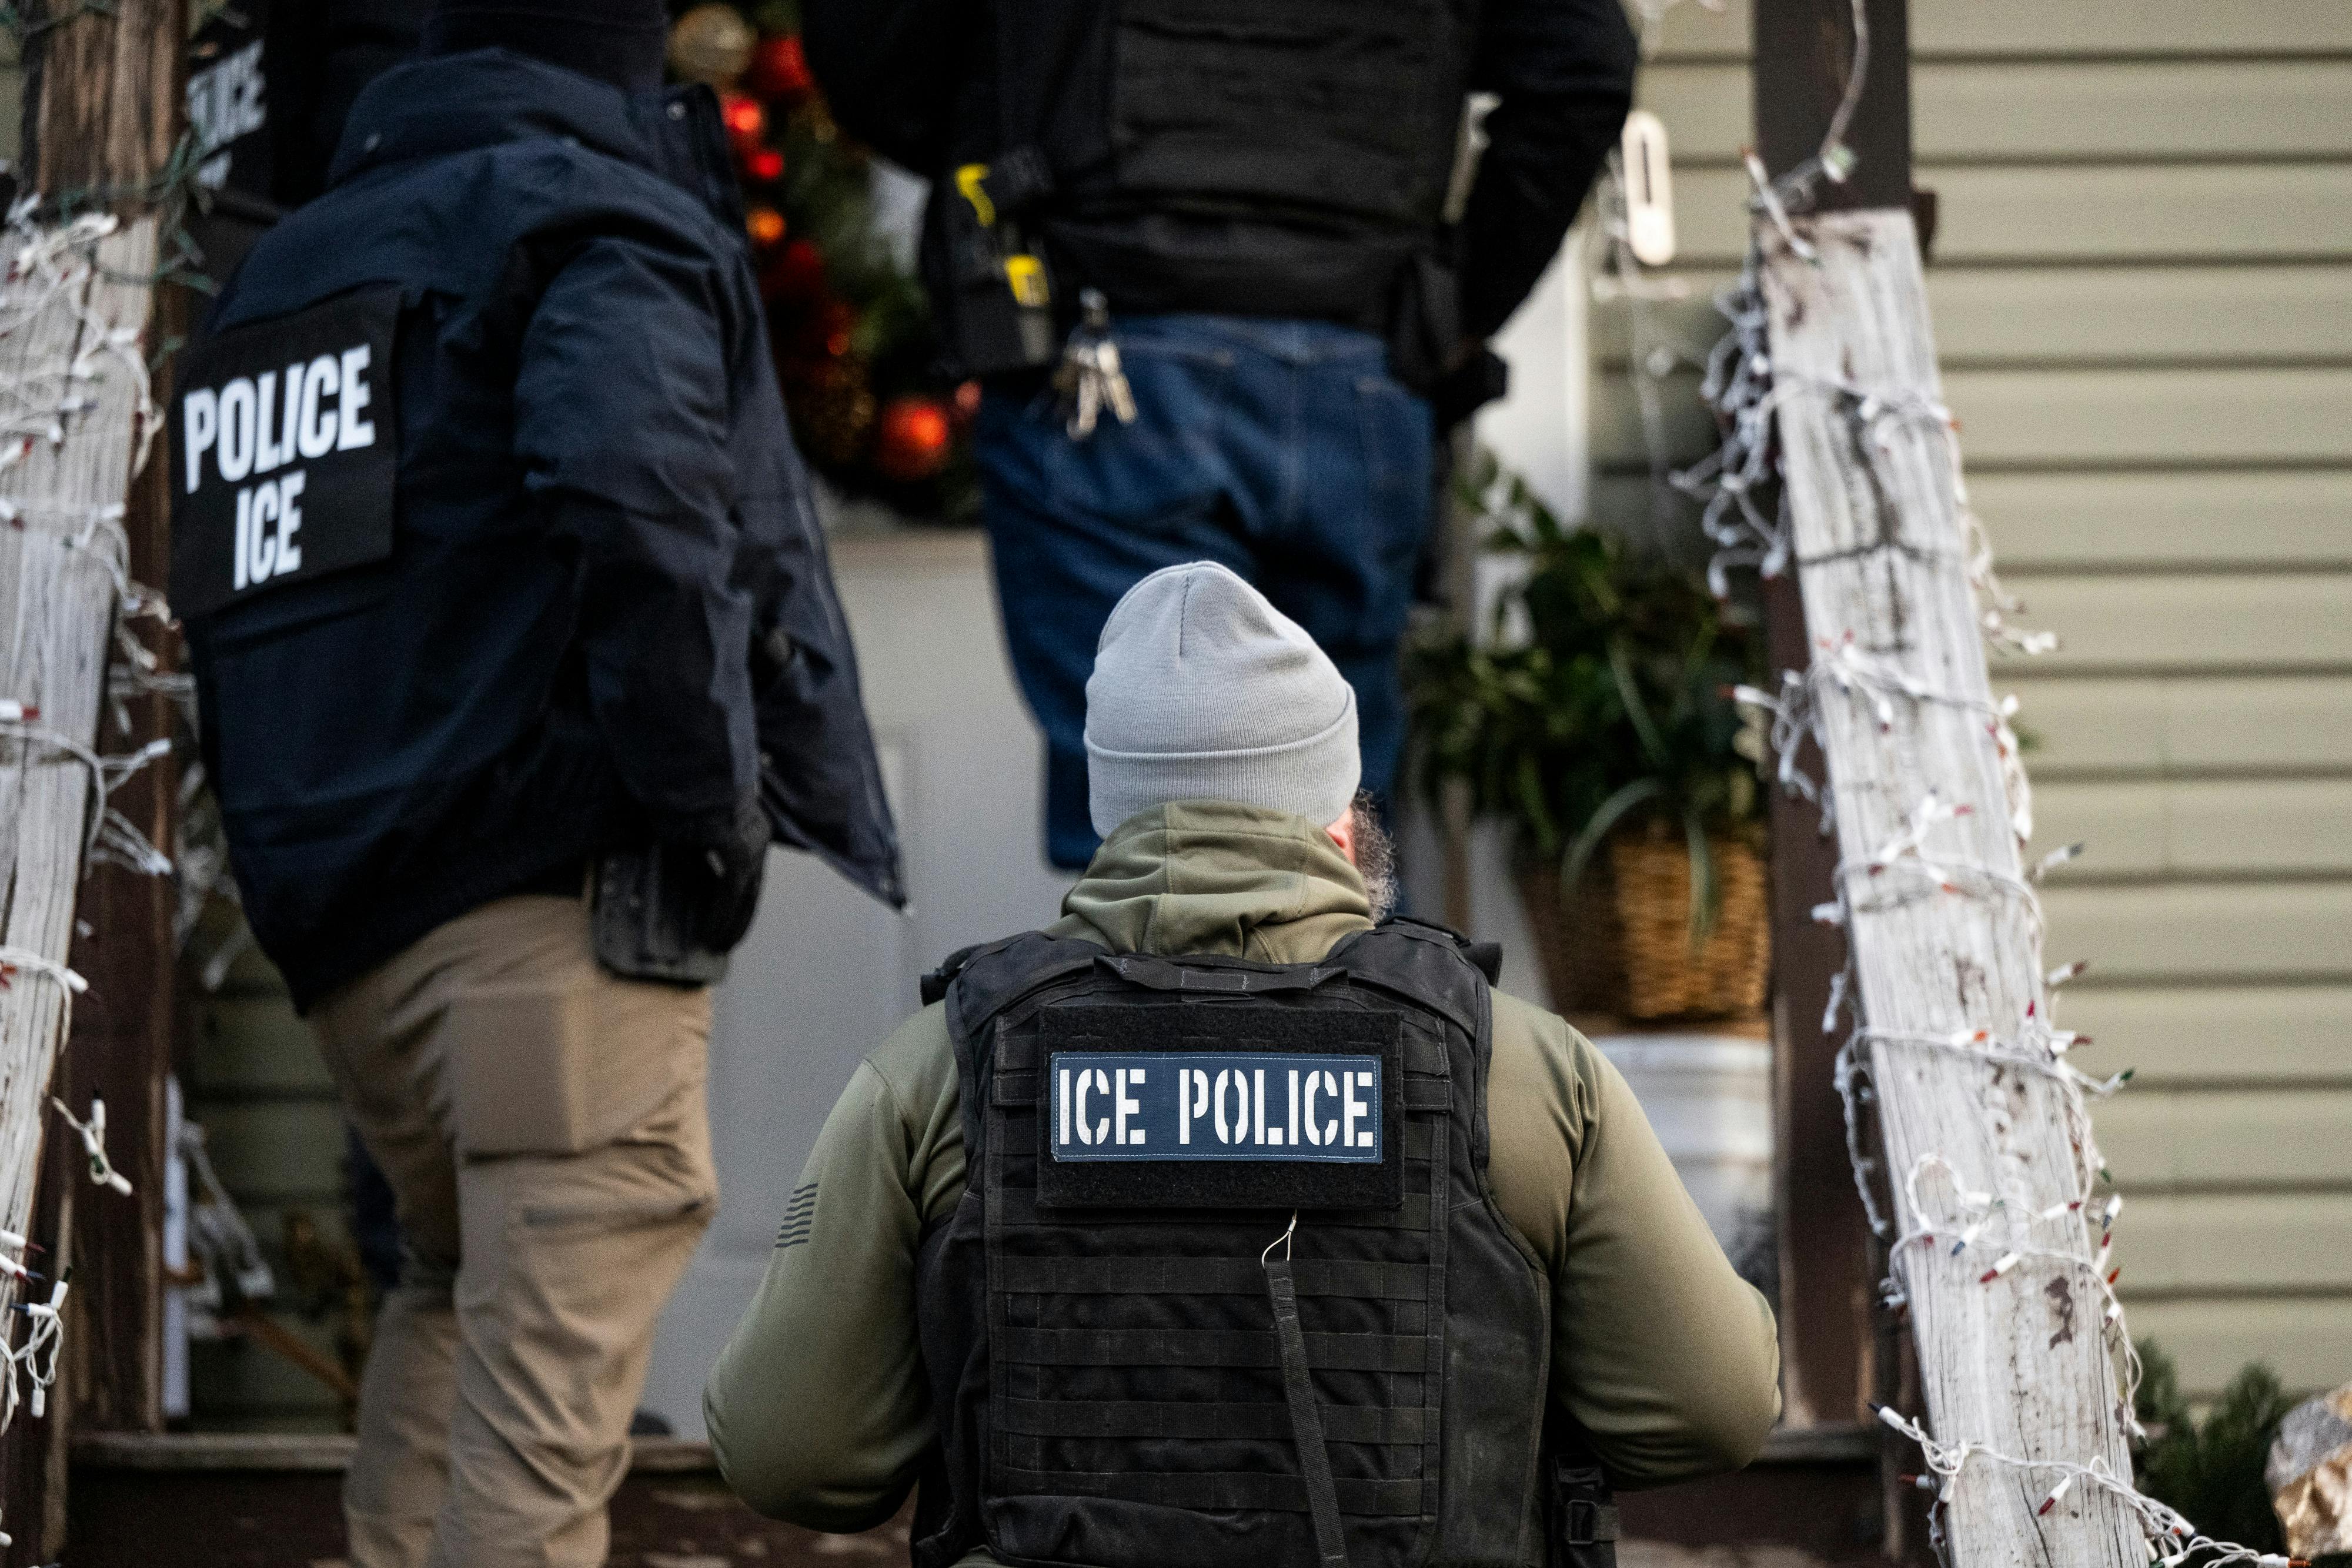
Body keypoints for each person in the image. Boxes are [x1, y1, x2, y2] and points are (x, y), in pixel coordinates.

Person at [172, 3, 901, 1563]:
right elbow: (634, 495)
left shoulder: (285, 273)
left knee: (446, 1305)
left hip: (351, 956)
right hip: (545, 942)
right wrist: (711, 814)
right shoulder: (589, 214)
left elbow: (232, 610)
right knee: (537, 1461)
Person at [704, 561, 1779, 1568]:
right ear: (1342, 826)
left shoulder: (935, 1072)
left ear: (1111, 822)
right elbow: (1714, 1406)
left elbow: (790, 1457)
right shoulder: (1531, 1073)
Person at [803, 0, 1640, 868]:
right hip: (1352, 368)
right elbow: (1585, 61)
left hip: (1113, 354)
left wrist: (1011, 123)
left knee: (1157, 853)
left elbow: (870, 57)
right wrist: (1455, 309)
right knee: (1340, 842)